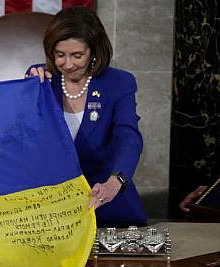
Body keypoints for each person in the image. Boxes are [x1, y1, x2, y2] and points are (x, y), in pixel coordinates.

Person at [26, 7, 146, 227]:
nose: (68, 64)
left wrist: (116, 181)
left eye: (77, 55)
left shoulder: (119, 83)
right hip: (52, 211)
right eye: (60, 55)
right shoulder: (41, 81)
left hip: (105, 203)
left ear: (94, 51)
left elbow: (128, 137)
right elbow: (22, 135)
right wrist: (28, 89)